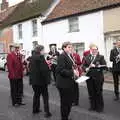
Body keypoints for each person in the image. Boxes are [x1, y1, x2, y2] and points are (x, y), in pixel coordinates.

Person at [56, 42, 79, 120]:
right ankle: (64, 118)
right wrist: (72, 72)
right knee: (65, 102)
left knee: (69, 102)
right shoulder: (62, 56)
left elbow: (71, 67)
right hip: (63, 84)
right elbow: (61, 70)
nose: (70, 48)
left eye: (71, 47)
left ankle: (66, 116)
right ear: (64, 48)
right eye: (69, 47)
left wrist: (76, 72)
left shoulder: (69, 55)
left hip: (69, 82)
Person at [83, 44, 106, 113]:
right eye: (93, 49)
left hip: (98, 78)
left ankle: (100, 107)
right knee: (91, 93)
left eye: (95, 49)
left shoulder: (101, 57)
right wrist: (85, 68)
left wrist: (96, 65)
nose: (94, 51)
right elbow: (83, 65)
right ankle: (93, 106)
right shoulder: (87, 57)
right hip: (89, 78)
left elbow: (104, 66)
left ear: (97, 50)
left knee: (98, 93)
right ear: (90, 50)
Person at [29, 45, 52, 118]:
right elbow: (44, 70)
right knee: (45, 96)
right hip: (41, 81)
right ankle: (47, 112)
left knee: (36, 95)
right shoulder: (41, 57)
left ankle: (35, 109)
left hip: (34, 81)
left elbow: (31, 68)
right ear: (40, 50)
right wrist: (48, 79)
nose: (44, 51)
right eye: (43, 50)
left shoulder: (32, 57)